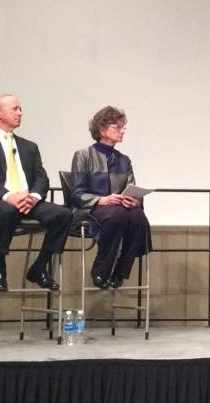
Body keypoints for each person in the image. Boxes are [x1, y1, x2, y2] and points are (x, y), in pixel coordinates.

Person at [0, 94, 72, 292]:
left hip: (26, 201)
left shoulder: (29, 146)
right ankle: (0, 266)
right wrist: (8, 196)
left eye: (20, 109)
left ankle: (40, 267)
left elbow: (41, 178)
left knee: (63, 214)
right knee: (6, 211)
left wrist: (34, 197)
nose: (20, 113)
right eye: (15, 108)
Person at [70, 106, 151, 289]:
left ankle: (120, 271)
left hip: (118, 208)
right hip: (91, 208)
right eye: (117, 127)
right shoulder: (83, 155)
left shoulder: (124, 159)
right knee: (117, 216)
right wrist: (101, 200)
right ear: (102, 129)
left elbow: (131, 186)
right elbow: (77, 192)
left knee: (138, 218)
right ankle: (101, 270)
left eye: (123, 128)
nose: (122, 131)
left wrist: (134, 200)